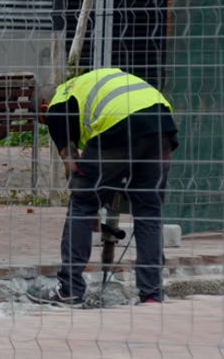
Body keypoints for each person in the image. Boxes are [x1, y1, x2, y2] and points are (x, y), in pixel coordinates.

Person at [26, 68, 179, 307]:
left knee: (81, 206)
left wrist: (91, 201)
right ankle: (151, 295)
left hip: (118, 124)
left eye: (42, 121)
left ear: (43, 107)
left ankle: (69, 291)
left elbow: (72, 166)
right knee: (149, 212)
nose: (48, 126)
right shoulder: (87, 85)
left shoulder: (58, 101)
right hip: (160, 124)